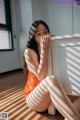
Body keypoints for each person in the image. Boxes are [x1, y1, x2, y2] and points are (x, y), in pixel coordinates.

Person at [23, 20, 80, 120]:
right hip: (34, 98)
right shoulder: (29, 52)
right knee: (51, 79)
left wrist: (57, 45)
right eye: (38, 34)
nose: (43, 36)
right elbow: (41, 77)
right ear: (33, 37)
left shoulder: (51, 47)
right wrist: (44, 51)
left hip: (50, 95)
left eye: (45, 32)